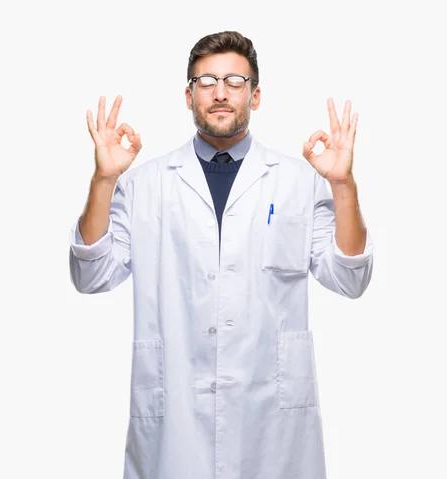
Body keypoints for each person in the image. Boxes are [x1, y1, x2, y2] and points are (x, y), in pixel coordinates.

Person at [69, 30, 374, 479]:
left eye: (234, 81)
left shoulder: (298, 181)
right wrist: (103, 180)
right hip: (175, 421)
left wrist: (343, 185)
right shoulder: (144, 183)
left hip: (272, 422)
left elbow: (349, 280)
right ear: (188, 95)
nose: (220, 93)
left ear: (255, 94)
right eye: (206, 81)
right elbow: (91, 276)